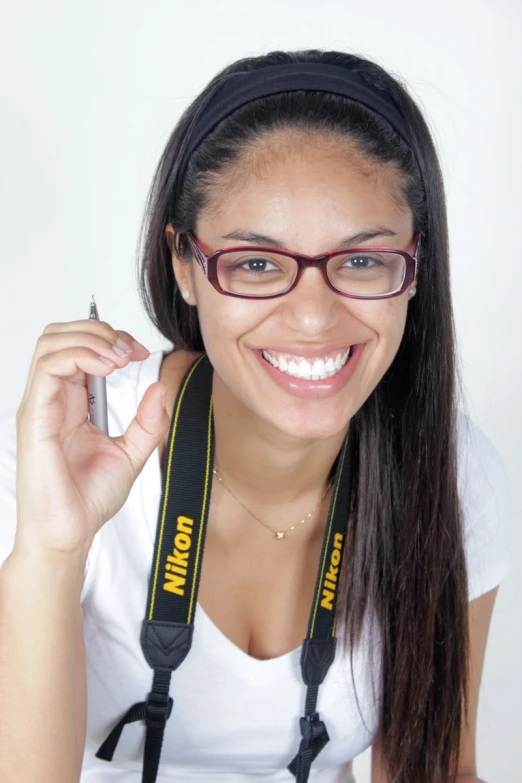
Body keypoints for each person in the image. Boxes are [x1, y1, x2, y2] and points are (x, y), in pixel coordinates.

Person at [0, 49, 512, 783]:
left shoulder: (452, 472)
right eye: (257, 263)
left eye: (363, 261)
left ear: (416, 268)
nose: (311, 316)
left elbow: (438, 771)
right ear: (184, 264)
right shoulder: (67, 449)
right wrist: (52, 549)